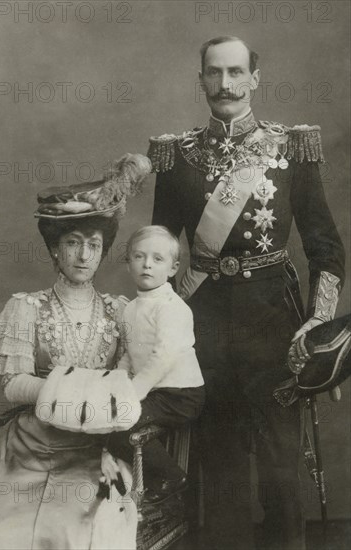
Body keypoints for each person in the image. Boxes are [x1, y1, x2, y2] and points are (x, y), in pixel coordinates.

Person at [148, 36, 345, 549]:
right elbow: (161, 253)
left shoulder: (290, 148)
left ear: (255, 78)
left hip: (275, 324)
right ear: (201, 81)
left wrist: (319, 323)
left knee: (281, 467)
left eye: (236, 72)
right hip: (205, 325)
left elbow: (325, 248)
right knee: (220, 465)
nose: (225, 84)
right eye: (214, 73)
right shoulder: (178, 157)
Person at [0, 153, 151, 550]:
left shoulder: (119, 310)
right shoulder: (24, 307)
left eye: (93, 245)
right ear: (54, 249)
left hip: (91, 453)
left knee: (78, 526)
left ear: (103, 250)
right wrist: (71, 391)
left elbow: (130, 383)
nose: (83, 256)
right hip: (26, 448)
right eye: (73, 243)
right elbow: (11, 384)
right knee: (6, 525)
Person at [103, 225, 205, 504]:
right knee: (109, 421)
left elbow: (163, 357)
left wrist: (133, 393)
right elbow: (129, 354)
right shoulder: (131, 308)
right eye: (139, 256)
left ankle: (172, 476)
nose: (147, 264)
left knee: (121, 424)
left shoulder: (172, 308)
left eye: (158, 259)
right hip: (156, 391)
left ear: (173, 268)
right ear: (128, 264)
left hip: (181, 394)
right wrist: (116, 382)